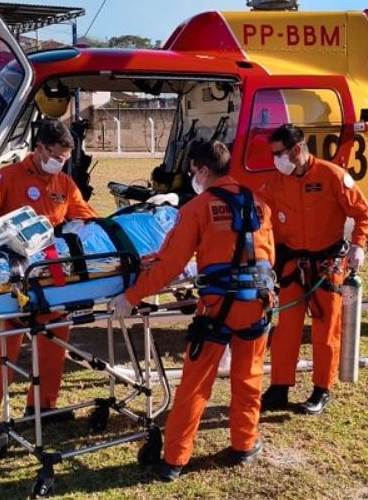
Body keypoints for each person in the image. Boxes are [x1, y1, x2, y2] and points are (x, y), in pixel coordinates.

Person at [111, 140, 275, 481]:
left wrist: (132, 296)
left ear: (201, 170)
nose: (191, 178)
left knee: (196, 385)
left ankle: (174, 460)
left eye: (191, 172)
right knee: (249, 378)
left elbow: (170, 264)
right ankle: (244, 444)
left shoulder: (198, 208)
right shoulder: (259, 204)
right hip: (257, 303)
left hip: (218, 309)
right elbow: (267, 256)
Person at [0, 118, 98, 450]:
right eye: (56, 154)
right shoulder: (7, 177)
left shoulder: (64, 183)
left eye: (66, 156)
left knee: (55, 343)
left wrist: (80, 227)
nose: (60, 161)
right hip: (16, 279)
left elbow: (86, 215)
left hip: (55, 277)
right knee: (1, 348)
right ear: (39, 148)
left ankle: (42, 406)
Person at [256, 124, 368, 415]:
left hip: (327, 265)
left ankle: (322, 389)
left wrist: (359, 245)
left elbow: (364, 212)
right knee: (286, 329)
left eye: (279, 154)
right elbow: (260, 220)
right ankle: (280, 387)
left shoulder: (332, 176)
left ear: (297, 149)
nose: (276, 160)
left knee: (326, 330)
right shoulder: (274, 185)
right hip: (292, 265)